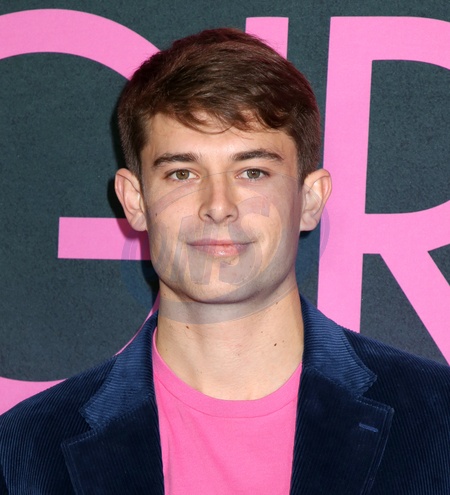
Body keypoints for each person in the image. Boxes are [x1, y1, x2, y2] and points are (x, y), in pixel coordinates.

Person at [1, 28, 449, 495]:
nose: (218, 206)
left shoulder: (437, 420)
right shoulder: (25, 454)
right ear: (134, 200)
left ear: (310, 199)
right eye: (182, 173)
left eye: (252, 172)